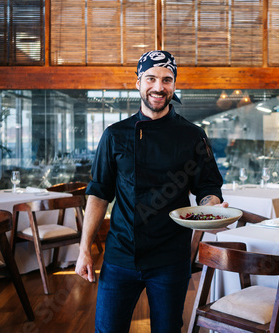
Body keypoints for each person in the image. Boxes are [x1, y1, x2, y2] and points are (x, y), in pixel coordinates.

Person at [75, 50, 228, 333]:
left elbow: (208, 187)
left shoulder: (192, 135)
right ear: (138, 83)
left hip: (170, 257)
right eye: (151, 78)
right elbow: (98, 194)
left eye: (167, 80)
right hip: (121, 254)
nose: (159, 87)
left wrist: (211, 206)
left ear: (174, 85)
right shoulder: (114, 135)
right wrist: (84, 250)